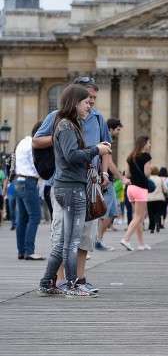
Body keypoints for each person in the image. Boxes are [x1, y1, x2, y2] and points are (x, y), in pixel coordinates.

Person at [34, 76, 112, 293]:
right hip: (71, 185)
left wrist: (102, 167)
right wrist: (95, 149)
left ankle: (48, 283)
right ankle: (71, 284)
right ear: (75, 101)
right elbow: (71, 155)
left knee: (69, 240)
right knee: (69, 239)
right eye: (87, 100)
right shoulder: (66, 124)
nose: (91, 104)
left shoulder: (83, 121)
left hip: (78, 184)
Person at [11, 122, 45, 260]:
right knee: (35, 216)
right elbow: (36, 164)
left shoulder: (22, 142)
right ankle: (29, 251)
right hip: (29, 182)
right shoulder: (33, 145)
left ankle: (21, 251)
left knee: (22, 218)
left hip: (18, 181)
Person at [96, 118, 126, 250]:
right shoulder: (106, 140)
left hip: (105, 180)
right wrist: (122, 178)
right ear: (110, 129)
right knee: (109, 212)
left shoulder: (103, 139)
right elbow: (109, 162)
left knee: (108, 212)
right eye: (118, 130)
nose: (119, 133)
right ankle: (97, 240)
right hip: (106, 181)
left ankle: (97, 239)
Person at [120, 136, 152, 251]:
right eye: (149, 143)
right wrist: (150, 169)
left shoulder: (130, 157)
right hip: (140, 188)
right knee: (139, 216)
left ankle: (141, 244)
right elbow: (147, 173)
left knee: (137, 217)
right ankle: (126, 238)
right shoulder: (146, 157)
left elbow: (127, 174)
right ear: (143, 144)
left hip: (131, 188)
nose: (150, 145)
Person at [147, 166, 168, 234]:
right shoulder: (160, 179)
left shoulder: (148, 178)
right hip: (159, 198)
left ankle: (152, 227)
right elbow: (165, 189)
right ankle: (158, 223)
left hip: (150, 198)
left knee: (151, 213)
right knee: (158, 212)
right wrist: (165, 193)